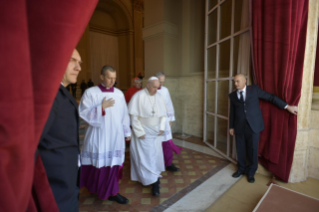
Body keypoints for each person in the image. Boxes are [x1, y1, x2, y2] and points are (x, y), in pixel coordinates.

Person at [229, 74, 298, 183]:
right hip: (239, 127)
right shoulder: (232, 95)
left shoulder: (254, 89)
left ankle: (251, 172)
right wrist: (231, 126)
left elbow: (271, 97)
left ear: (244, 81)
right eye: (234, 81)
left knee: (253, 150)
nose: (235, 84)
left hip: (254, 126)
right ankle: (241, 169)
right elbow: (232, 112)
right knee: (240, 149)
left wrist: (287, 106)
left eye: (237, 81)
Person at [79, 65, 131, 204]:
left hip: (115, 136)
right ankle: (96, 188)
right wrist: (101, 107)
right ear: (102, 77)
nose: (112, 81)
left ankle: (113, 192)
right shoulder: (91, 92)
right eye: (109, 78)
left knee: (113, 163)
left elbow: (124, 114)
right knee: (98, 163)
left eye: (114, 78)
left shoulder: (119, 94)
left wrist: (127, 131)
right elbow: (83, 113)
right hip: (98, 136)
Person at [38, 49, 82, 212]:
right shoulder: (49, 96)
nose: (79, 68)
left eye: (80, 63)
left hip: (66, 178)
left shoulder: (60, 92)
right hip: (55, 185)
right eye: (73, 61)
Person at [128, 77, 167, 196]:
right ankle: (154, 182)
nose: (156, 90)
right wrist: (140, 132)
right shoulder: (138, 96)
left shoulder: (159, 96)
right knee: (146, 157)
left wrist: (162, 127)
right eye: (154, 87)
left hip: (156, 132)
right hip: (143, 132)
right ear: (148, 85)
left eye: (158, 87)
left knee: (155, 155)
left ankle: (154, 177)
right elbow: (133, 116)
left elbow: (163, 115)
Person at [156, 72, 182, 172]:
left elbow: (169, 104)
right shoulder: (149, 91)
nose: (161, 84)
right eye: (160, 81)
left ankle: (168, 163)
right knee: (156, 143)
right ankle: (157, 163)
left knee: (166, 142)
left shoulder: (165, 90)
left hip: (164, 121)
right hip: (154, 122)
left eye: (163, 82)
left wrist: (170, 119)